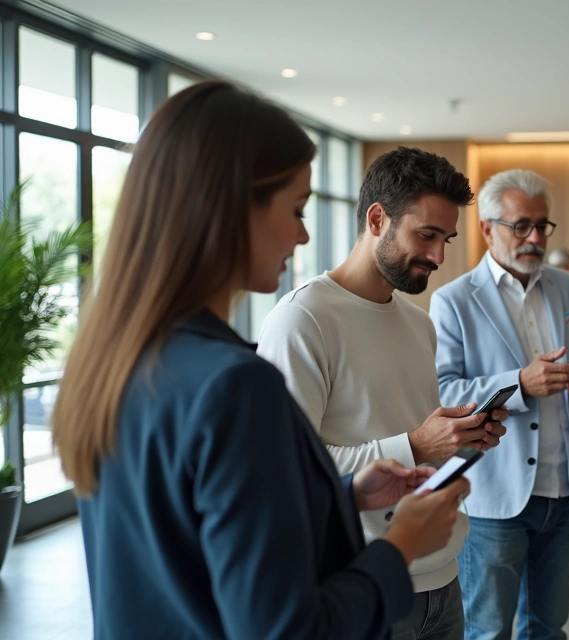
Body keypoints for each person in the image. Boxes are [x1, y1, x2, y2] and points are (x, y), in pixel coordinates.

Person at [51, 81, 467, 639]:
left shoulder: (115, 361)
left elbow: (193, 541)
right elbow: (285, 628)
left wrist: (340, 497)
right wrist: (399, 548)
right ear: (225, 208)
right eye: (296, 209)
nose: (301, 235)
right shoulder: (234, 384)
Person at [257, 146, 507, 640]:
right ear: (377, 219)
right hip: (363, 579)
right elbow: (283, 473)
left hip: (445, 575)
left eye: (446, 239)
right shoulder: (302, 320)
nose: (438, 256)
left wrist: (456, 437)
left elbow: (406, 430)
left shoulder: (419, 322)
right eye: (427, 235)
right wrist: (416, 445)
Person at [429, 168, 569, 640]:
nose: (535, 238)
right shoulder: (453, 300)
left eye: (542, 225)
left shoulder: (565, 286)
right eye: (521, 226)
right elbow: (442, 391)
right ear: (488, 228)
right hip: (495, 495)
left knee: (548, 628)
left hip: (566, 491)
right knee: (488, 630)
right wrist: (519, 384)